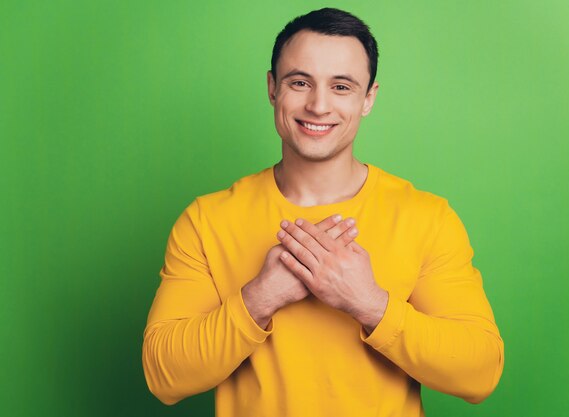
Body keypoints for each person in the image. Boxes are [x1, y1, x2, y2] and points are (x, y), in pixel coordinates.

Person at [142, 7, 504, 416]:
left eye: (342, 87)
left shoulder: (427, 219)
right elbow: (163, 375)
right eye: (300, 82)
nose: (318, 105)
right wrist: (260, 297)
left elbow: (480, 373)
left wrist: (370, 304)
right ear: (272, 88)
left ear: (368, 99)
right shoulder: (206, 221)